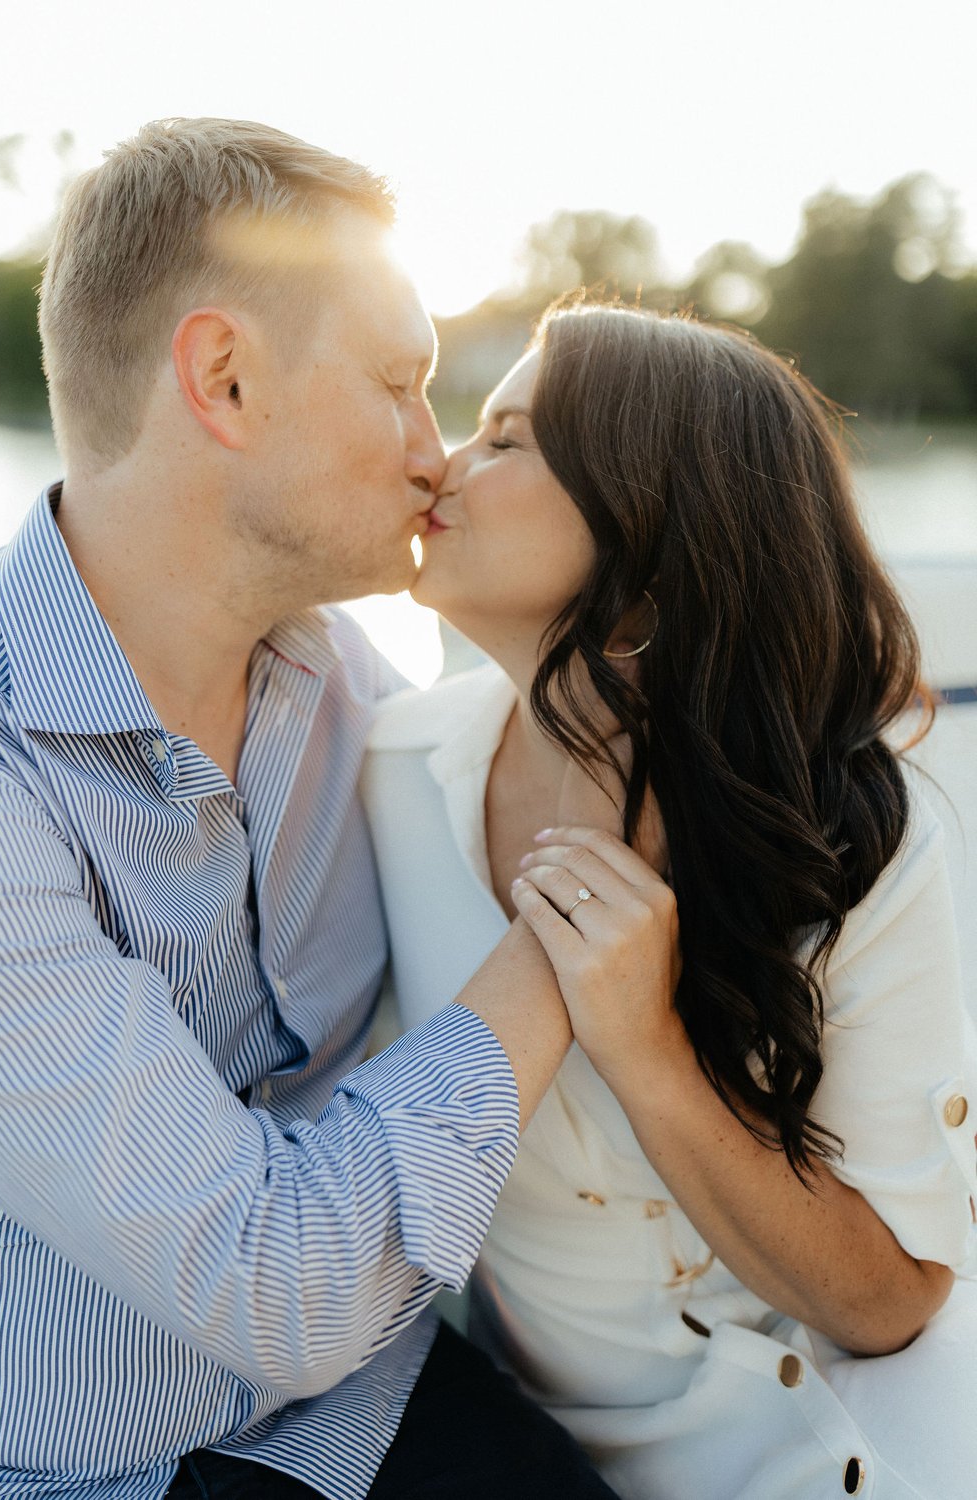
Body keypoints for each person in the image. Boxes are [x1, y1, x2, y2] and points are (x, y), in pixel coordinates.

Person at [0, 120, 621, 1500]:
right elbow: (279, 1287)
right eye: (400, 383)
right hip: (79, 1472)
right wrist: (574, 924)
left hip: (364, 1408)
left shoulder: (344, 677)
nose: (431, 454)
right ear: (223, 379)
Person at [362, 304, 977, 1499]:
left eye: (506, 440)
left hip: (854, 1429)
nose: (440, 462)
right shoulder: (382, 774)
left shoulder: (852, 830)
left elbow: (892, 1303)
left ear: (644, 534)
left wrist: (646, 1052)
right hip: (526, 1453)